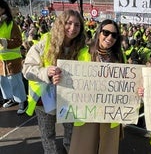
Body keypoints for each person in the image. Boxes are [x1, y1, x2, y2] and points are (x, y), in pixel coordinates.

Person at [22, 9, 89, 154]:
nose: (72, 28)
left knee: (71, 133)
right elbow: (27, 69)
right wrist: (46, 72)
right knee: (48, 135)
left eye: (77, 25)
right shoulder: (45, 42)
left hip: (70, 99)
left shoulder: (83, 48)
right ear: (60, 24)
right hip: (44, 100)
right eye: (69, 23)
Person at [69, 19, 124, 154]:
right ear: (99, 32)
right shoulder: (83, 53)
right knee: (82, 148)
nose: (109, 37)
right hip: (86, 111)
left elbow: (125, 84)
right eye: (106, 32)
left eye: (114, 35)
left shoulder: (118, 57)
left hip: (110, 112)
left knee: (107, 148)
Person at [0, 0, 28, 115]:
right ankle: (12, 99)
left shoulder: (11, 23)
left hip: (12, 59)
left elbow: (18, 41)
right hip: (1, 60)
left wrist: (4, 42)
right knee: (4, 82)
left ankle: (22, 101)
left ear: (2, 9)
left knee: (15, 81)